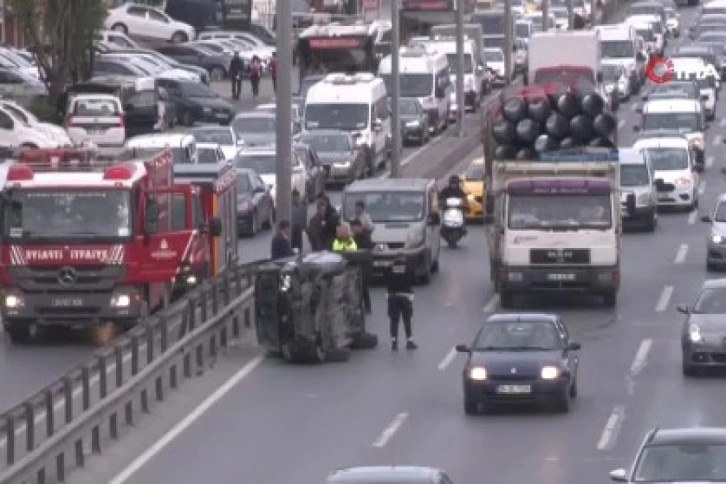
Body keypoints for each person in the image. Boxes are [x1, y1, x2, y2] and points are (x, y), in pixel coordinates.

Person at [385, 255, 417, 350]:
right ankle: (409, 342)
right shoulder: (408, 269)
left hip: (393, 297)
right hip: (406, 297)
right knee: (407, 320)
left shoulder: (389, 270)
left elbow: (385, 280)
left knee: (394, 320)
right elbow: (413, 280)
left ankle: (394, 342)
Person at [351, 219, 373, 313]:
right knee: (358, 287)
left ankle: (367, 306)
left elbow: (368, 248)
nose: (354, 229)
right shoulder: (352, 238)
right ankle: (359, 306)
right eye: (352, 228)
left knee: (363, 286)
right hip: (356, 265)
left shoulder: (365, 236)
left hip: (365, 265)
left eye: (355, 228)